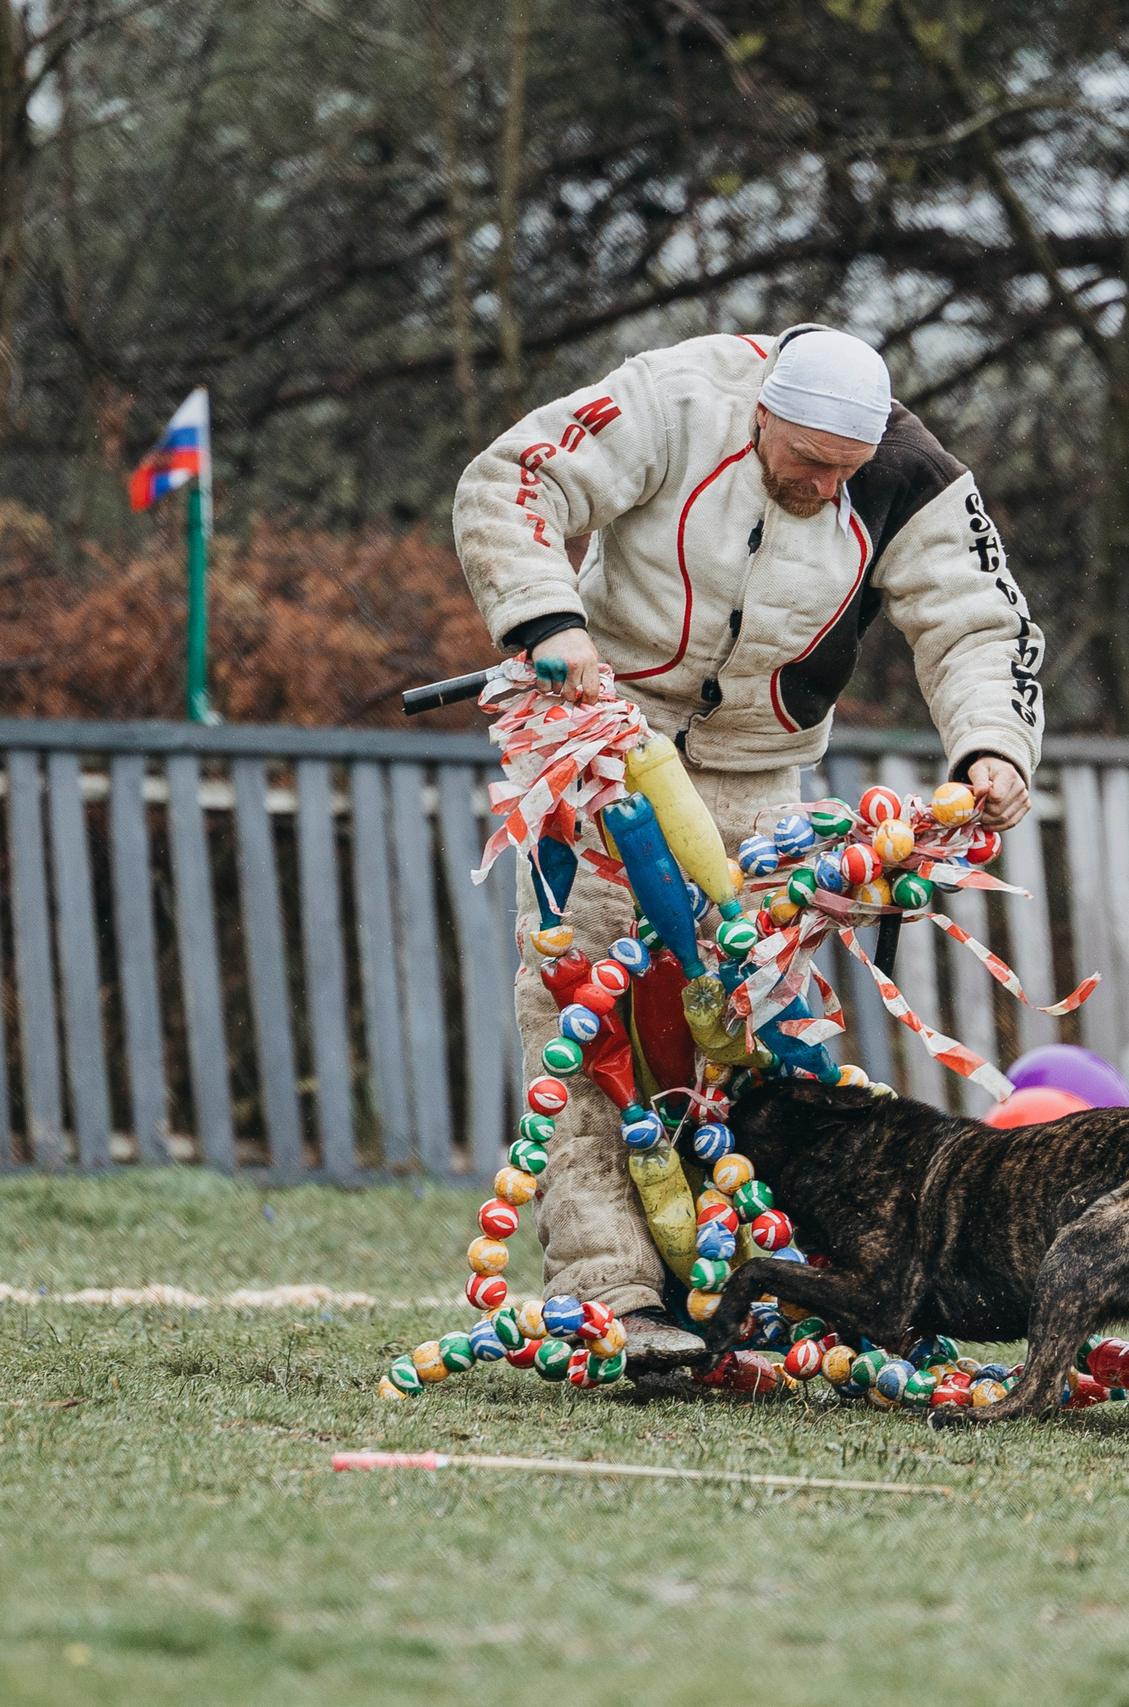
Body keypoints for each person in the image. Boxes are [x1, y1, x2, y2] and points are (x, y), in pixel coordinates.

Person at [452, 324, 1045, 1370]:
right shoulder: (672, 398)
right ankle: (612, 1296)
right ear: (761, 410)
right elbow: (512, 480)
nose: (825, 487)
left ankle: (736, 1295)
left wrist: (991, 747)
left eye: (846, 471)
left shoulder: (913, 480)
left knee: (746, 1047)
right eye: (806, 461)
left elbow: (978, 623)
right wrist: (547, 619)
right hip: (599, 739)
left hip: (759, 774)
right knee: (585, 1026)